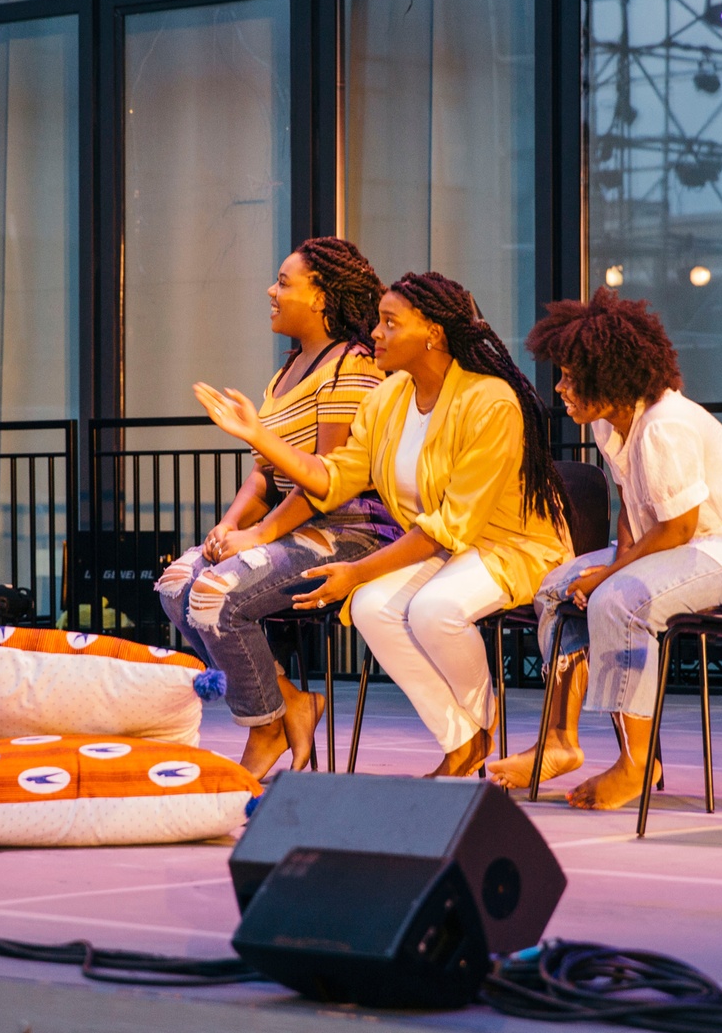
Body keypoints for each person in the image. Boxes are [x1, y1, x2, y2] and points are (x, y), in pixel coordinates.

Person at [196, 272, 568, 778]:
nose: (375, 333)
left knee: (434, 609)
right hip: (444, 548)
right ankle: (461, 741)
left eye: (390, 323)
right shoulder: (389, 399)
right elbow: (334, 476)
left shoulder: (490, 400)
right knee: (372, 608)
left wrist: (356, 571)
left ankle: (480, 726)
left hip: (507, 546)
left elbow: (451, 524)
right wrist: (259, 435)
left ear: (433, 332)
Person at [486, 289, 722, 809]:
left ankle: (636, 763)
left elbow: (677, 529)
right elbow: (633, 512)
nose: (559, 388)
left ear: (609, 378)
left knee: (619, 599)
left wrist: (610, 577)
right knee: (556, 587)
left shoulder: (663, 426)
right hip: (686, 550)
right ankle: (560, 740)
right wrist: (609, 564)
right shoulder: (614, 421)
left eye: (569, 377)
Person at [154, 238, 397, 777]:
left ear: (321, 297)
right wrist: (230, 524)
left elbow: (327, 480)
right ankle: (289, 700)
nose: (271, 289)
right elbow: (265, 473)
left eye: (284, 282)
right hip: (286, 526)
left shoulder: (351, 366)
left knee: (215, 594)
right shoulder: (288, 368)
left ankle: (265, 726)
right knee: (176, 585)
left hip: (349, 529)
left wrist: (260, 535)